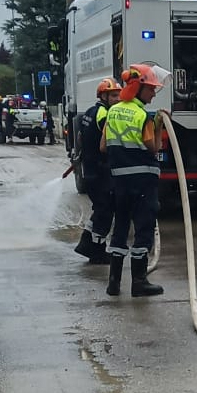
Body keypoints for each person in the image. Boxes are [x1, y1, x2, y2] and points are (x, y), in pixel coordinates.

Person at [101, 63, 170, 298]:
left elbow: (103, 146)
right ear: (138, 88)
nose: (153, 94)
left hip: (119, 182)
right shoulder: (143, 115)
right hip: (143, 181)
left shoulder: (112, 112)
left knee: (120, 228)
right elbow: (153, 148)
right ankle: (139, 282)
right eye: (150, 89)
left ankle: (114, 282)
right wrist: (160, 125)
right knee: (143, 229)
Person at [74, 78, 121, 264]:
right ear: (103, 96)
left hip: (91, 170)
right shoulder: (104, 115)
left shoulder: (90, 112)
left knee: (100, 209)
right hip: (101, 171)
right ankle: (98, 251)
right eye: (114, 95)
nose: (118, 98)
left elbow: (81, 137)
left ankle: (86, 242)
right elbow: (107, 143)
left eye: (118, 95)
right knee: (106, 211)